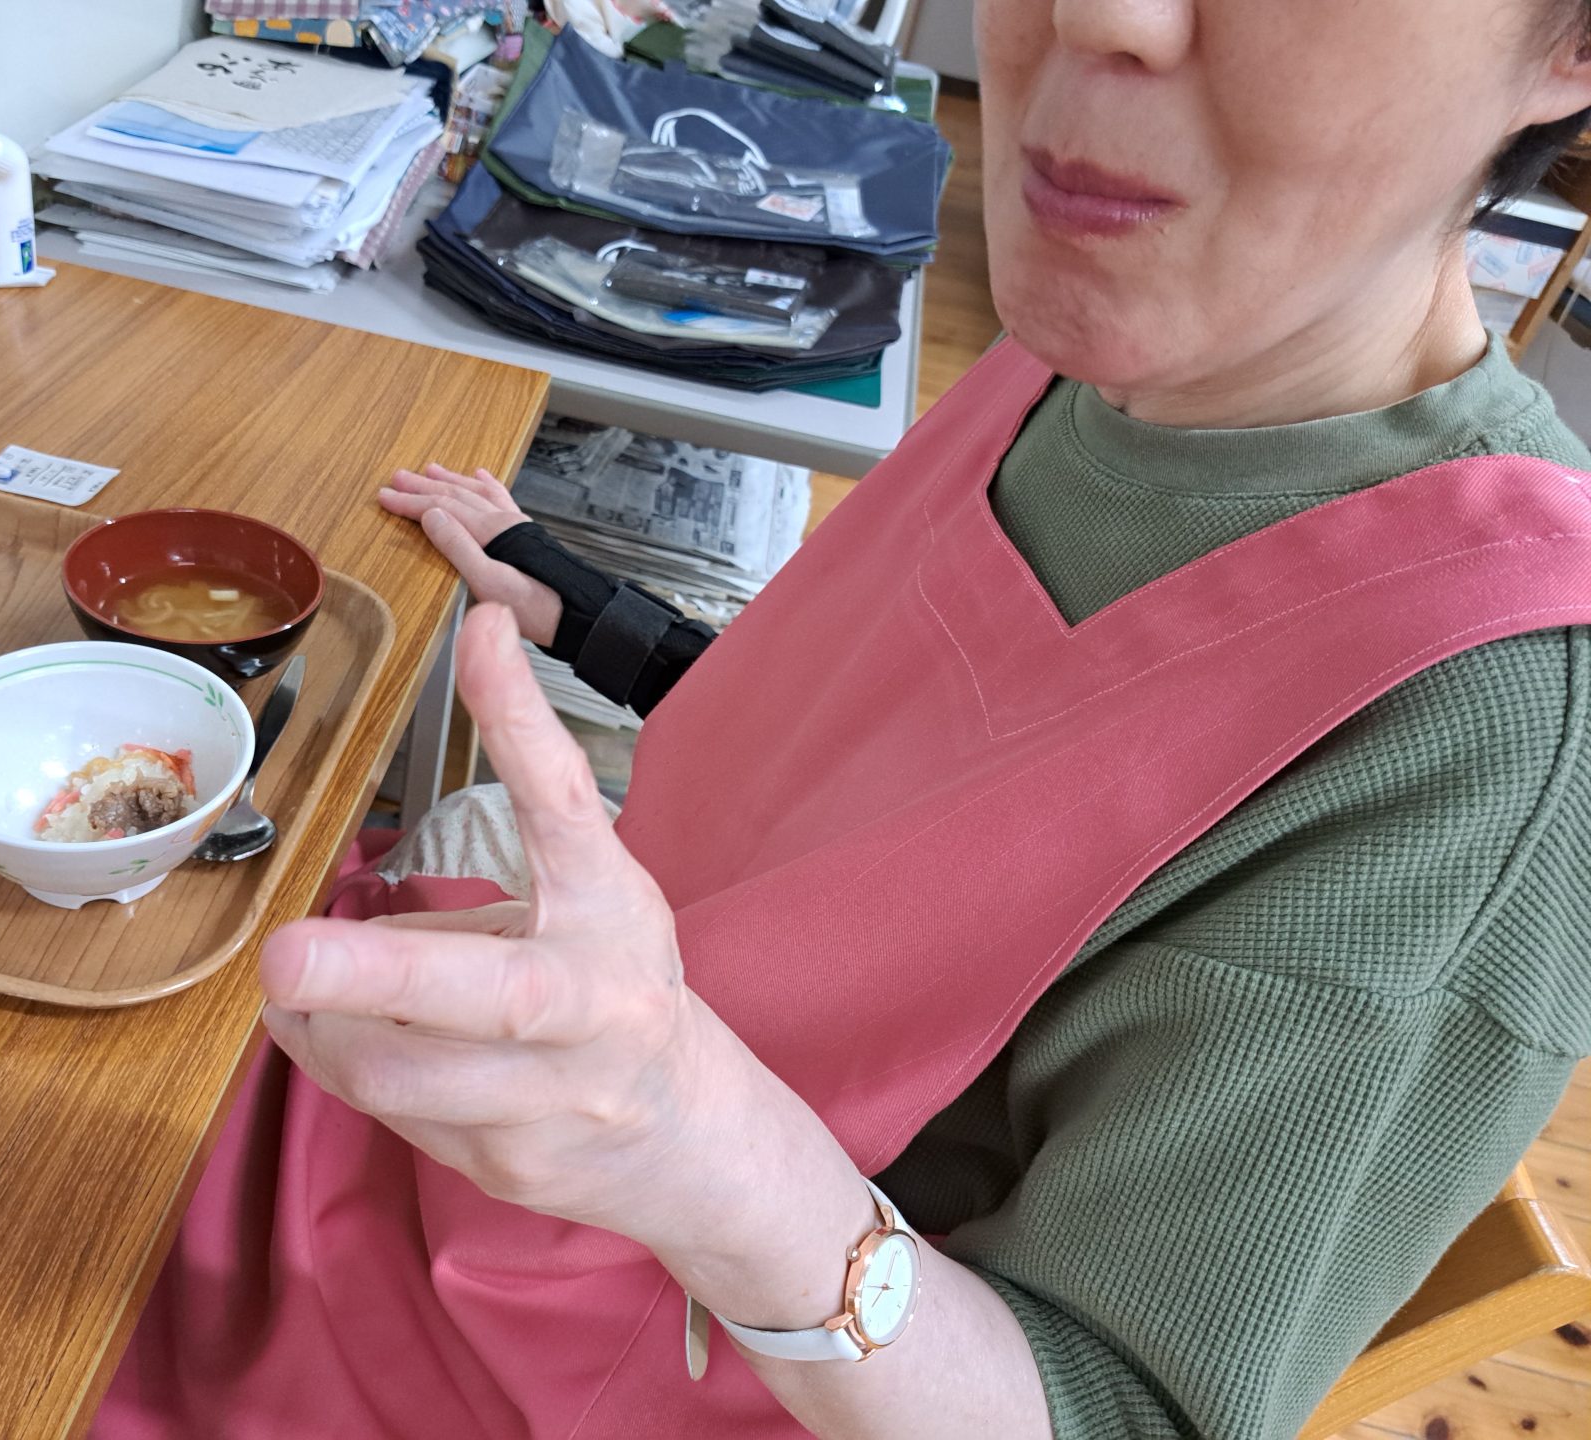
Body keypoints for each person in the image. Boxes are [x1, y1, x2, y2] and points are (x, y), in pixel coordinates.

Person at [95, 2, 1591, 1436]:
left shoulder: (1492, 719)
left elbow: (1113, 1408)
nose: (1098, 18)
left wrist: (694, 1139)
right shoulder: (1101, 334)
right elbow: (911, 785)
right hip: (478, 1098)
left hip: (573, 1350)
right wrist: (584, 604)